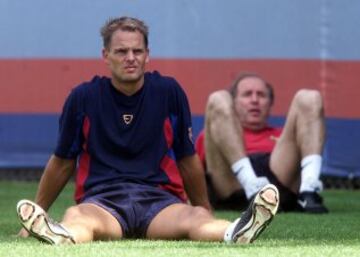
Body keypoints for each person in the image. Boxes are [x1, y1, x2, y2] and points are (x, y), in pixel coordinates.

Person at [16, 17, 280, 245]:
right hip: (103, 204)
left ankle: (237, 230)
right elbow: (62, 163)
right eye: (121, 51)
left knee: (196, 218)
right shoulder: (82, 97)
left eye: (137, 51)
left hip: (160, 203)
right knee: (77, 218)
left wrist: (205, 209)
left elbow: (187, 159)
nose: (130, 58)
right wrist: (36, 215)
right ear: (105, 56)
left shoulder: (169, 92)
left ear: (147, 54)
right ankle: (60, 234)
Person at [196, 72, 328, 213]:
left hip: (278, 179)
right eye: (247, 94)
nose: (255, 100)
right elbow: (193, 169)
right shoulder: (211, 135)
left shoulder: (282, 136)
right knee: (217, 98)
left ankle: (309, 192)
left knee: (309, 97)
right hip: (232, 185)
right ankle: (252, 188)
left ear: (270, 103)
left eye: (261, 95)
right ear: (233, 103)